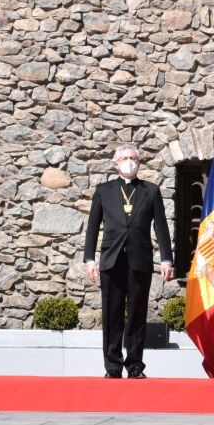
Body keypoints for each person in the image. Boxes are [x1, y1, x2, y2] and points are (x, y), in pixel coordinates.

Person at [83, 144, 173, 379]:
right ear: (116, 163)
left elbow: (161, 227)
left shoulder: (150, 191)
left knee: (136, 313)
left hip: (140, 259)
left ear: (139, 163)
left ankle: (134, 365)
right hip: (111, 259)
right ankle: (113, 366)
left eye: (133, 158)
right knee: (111, 313)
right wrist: (89, 259)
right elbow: (93, 226)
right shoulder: (104, 190)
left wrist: (166, 258)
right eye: (125, 158)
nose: (130, 161)